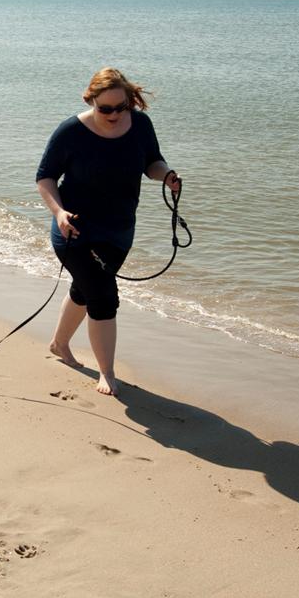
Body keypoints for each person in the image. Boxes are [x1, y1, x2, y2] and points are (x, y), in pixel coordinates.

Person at [35, 67, 180, 397]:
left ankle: (59, 344)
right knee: (103, 297)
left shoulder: (140, 125)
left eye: (122, 107)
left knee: (85, 291)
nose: (114, 114)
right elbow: (45, 178)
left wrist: (166, 175)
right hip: (74, 230)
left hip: (119, 231)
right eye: (106, 108)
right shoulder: (70, 132)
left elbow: (152, 162)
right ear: (91, 101)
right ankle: (107, 373)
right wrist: (58, 213)